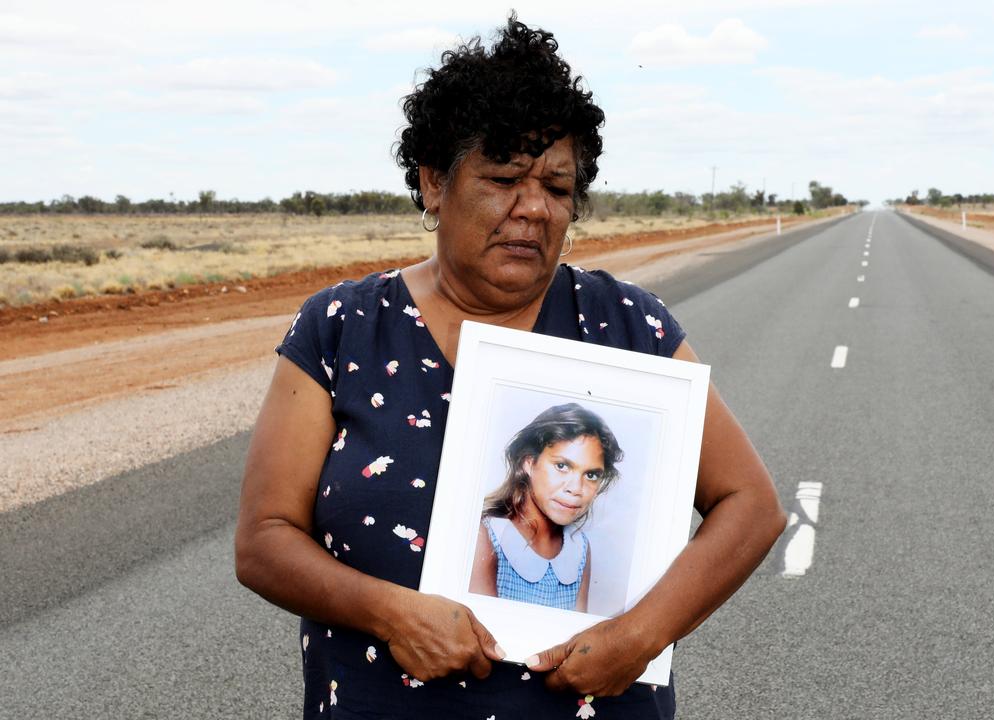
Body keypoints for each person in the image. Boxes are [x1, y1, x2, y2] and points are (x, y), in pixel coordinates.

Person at [235, 14, 785, 719]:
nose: (532, 208)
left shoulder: (627, 324)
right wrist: (391, 613)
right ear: (434, 183)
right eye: (502, 179)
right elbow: (264, 540)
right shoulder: (342, 329)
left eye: (557, 188)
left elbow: (753, 507)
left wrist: (642, 635)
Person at [469, 402, 622, 612]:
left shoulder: (580, 549)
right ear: (528, 463)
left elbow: (577, 638)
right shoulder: (486, 535)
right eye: (562, 466)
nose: (576, 489)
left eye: (591, 475)